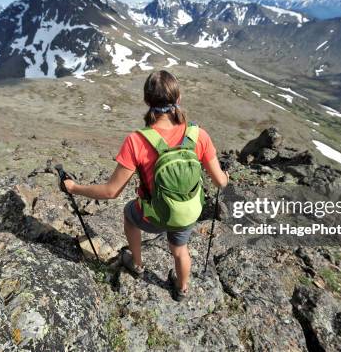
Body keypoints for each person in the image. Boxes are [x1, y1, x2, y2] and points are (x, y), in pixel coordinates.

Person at [63, 70, 228, 300]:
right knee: (180, 250)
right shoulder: (199, 135)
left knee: (129, 214)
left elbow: (111, 192)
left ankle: (137, 263)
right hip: (188, 212)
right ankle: (182, 289)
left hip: (153, 216)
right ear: (178, 98)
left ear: (147, 101)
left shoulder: (137, 141)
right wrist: (226, 176)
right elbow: (220, 181)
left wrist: (74, 188)